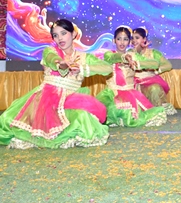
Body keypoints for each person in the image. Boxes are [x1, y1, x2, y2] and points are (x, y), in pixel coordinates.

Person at [0, 19, 111, 149]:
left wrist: (82, 68)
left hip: (70, 100)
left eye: (63, 33)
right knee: (8, 120)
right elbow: (52, 59)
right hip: (47, 100)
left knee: (83, 117)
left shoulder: (84, 57)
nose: (60, 38)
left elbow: (107, 68)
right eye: (56, 35)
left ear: (73, 34)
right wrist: (60, 63)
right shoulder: (50, 51)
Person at [96, 26, 167, 127]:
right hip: (112, 94)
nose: (122, 42)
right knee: (106, 111)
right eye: (119, 39)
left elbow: (155, 63)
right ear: (114, 40)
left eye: (125, 39)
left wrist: (138, 63)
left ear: (129, 42)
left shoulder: (133, 56)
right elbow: (113, 57)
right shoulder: (109, 54)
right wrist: (124, 57)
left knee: (137, 114)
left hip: (130, 93)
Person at [131, 27, 176, 115]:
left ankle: (157, 112)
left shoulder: (153, 53)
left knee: (155, 88)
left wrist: (156, 71)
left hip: (149, 82)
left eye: (137, 38)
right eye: (132, 38)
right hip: (134, 83)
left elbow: (168, 65)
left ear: (144, 39)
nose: (134, 40)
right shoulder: (129, 53)